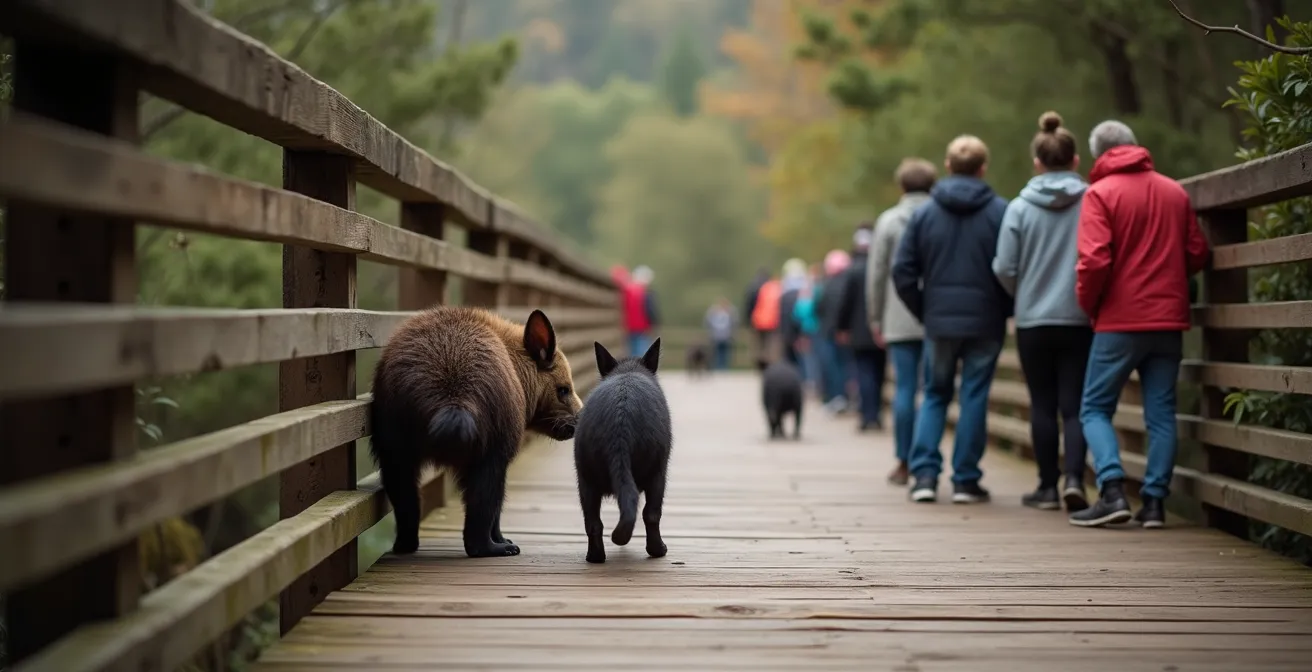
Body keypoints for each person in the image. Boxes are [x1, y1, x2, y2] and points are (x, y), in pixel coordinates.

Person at [1068, 120, 1210, 529]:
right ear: (1134, 146)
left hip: (1119, 320)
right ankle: (1153, 504)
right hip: (1168, 320)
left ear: (1100, 155)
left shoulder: (1100, 194)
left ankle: (1112, 490)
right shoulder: (1173, 190)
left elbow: (1094, 260)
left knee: (1094, 407)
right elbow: (1197, 252)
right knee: (1161, 413)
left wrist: (1089, 305)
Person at [893, 135, 1010, 504]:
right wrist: (1005, 307)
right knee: (974, 395)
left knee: (935, 394)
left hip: (940, 321)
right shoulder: (1000, 212)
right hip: (985, 320)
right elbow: (1013, 268)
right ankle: (965, 479)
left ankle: (924, 476)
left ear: (947, 166)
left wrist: (924, 308)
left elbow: (902, 270)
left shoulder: (924, 213)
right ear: (983, 168)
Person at [992, 111, 1094, 513]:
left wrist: (1024, 294)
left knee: (1041, 404)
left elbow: (1003, 266)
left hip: (1033, 318)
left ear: (1037, 162)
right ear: (1074, 161)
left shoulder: (1018, 207)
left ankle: (1047, 487)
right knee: (1075, 404)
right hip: (1079, 316)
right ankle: (1075, 479)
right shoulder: (1091, 202)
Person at [867, 157, 937, 485]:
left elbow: (878, 273)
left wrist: (875, 316)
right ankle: (927, 460)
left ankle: (904, 461)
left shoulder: (888, 221)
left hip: (897, 317)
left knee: (905, 390)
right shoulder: (941, 217)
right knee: (933, 392)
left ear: (901, 186)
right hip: (937, 316)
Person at [835, 224, 886, 432]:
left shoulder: (853, 270)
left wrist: (842, 327)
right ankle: (876, 415)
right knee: (879, 374)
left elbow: (845, 302)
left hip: (858, 332)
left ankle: (867, 415)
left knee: (863, 373)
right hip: (881, 331)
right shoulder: (881, 266)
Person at [814, 250, 853, 413]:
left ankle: (836, 397)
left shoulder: (826, 284)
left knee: (832, 367)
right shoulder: (850, 282)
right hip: (848, 333)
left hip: (829, 332)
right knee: (847, 366)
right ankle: (846, 398)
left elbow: (819, 308)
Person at [624, 265, 659, 356]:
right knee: (642, 350)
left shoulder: (627, 290)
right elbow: (650, 310)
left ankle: (633, 367)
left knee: (632, 350)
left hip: (629, 326)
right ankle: (641, 368)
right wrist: (654, 323)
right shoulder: (644, 292)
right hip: (642, 327)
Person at [704, 298, 736, 371]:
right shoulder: (714, 313)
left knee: (725, 353)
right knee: (715, 353)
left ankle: (723, 368)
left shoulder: (729, 313)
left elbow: (734, 323)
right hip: (716, 336)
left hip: (726, 336)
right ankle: (717, 367)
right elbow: (708, 322)